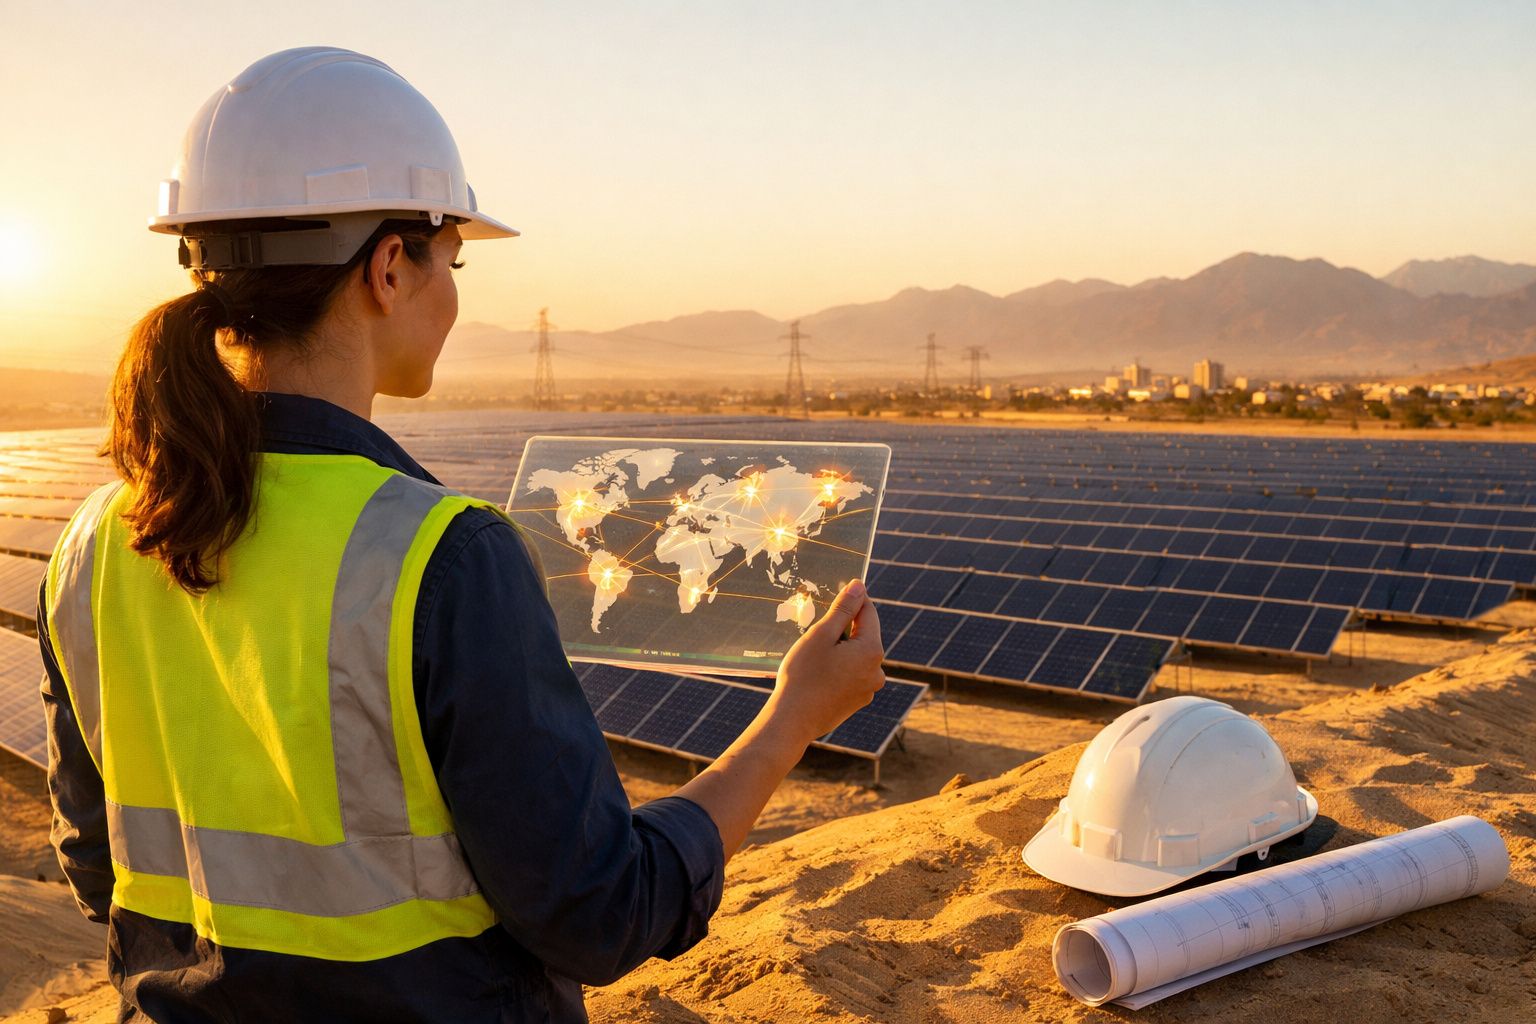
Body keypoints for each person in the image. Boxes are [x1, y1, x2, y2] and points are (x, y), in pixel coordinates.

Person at [39, 47, 885, 1022]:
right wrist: (793, 719)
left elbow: (101, 867)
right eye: (454, 257)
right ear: (389, 268)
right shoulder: (440, 556)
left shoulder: (93, 542)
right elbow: (600, 910)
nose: (454, 288)